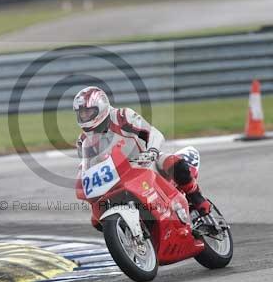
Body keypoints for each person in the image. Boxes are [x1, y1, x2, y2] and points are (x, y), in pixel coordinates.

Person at [73, 86, 213, 216]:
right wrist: (81, 183)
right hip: (116, 179)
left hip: (146, 163)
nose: (84, 116)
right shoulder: (83, 140)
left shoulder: (122, 116)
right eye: (81, 113)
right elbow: (86, 167)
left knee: (175, 163)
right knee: (95, 218)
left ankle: (197, 198)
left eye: (88, 111)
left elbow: (154, 133)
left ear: (101, 107)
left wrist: (151, 152)